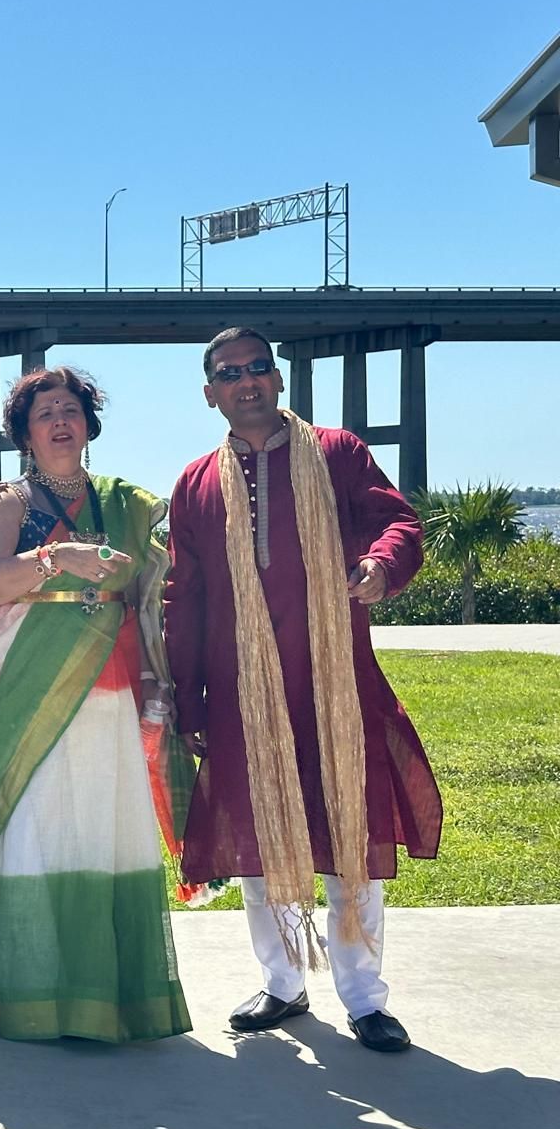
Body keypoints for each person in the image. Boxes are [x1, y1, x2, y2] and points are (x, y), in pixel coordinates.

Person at [164, 327, 442, 1054]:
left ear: (279, 380)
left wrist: (383, 565)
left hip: (333, 680)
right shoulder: (195, 483)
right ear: (210, 393)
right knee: (260, 837)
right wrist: (190, 700)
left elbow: (395, 520)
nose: (247, 380)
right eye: (230, 373)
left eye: (259, 367)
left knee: (350, 826)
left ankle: (364, 997)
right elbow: (181, 595)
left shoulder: (337, 454)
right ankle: (283, 983)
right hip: (238, 690)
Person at [0, 365, 193, 1044]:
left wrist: (158, 676)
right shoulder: (9, 501)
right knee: (39, 824)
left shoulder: (124, 501)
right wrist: (56, 556)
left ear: (88, 424)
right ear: (25, 433)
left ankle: (116, 994)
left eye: (70, 409)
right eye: (45, 414)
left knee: (106, 825)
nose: (60, 421)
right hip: (27, 680)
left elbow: (151, 595)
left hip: (112, 681)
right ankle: (41, 996)